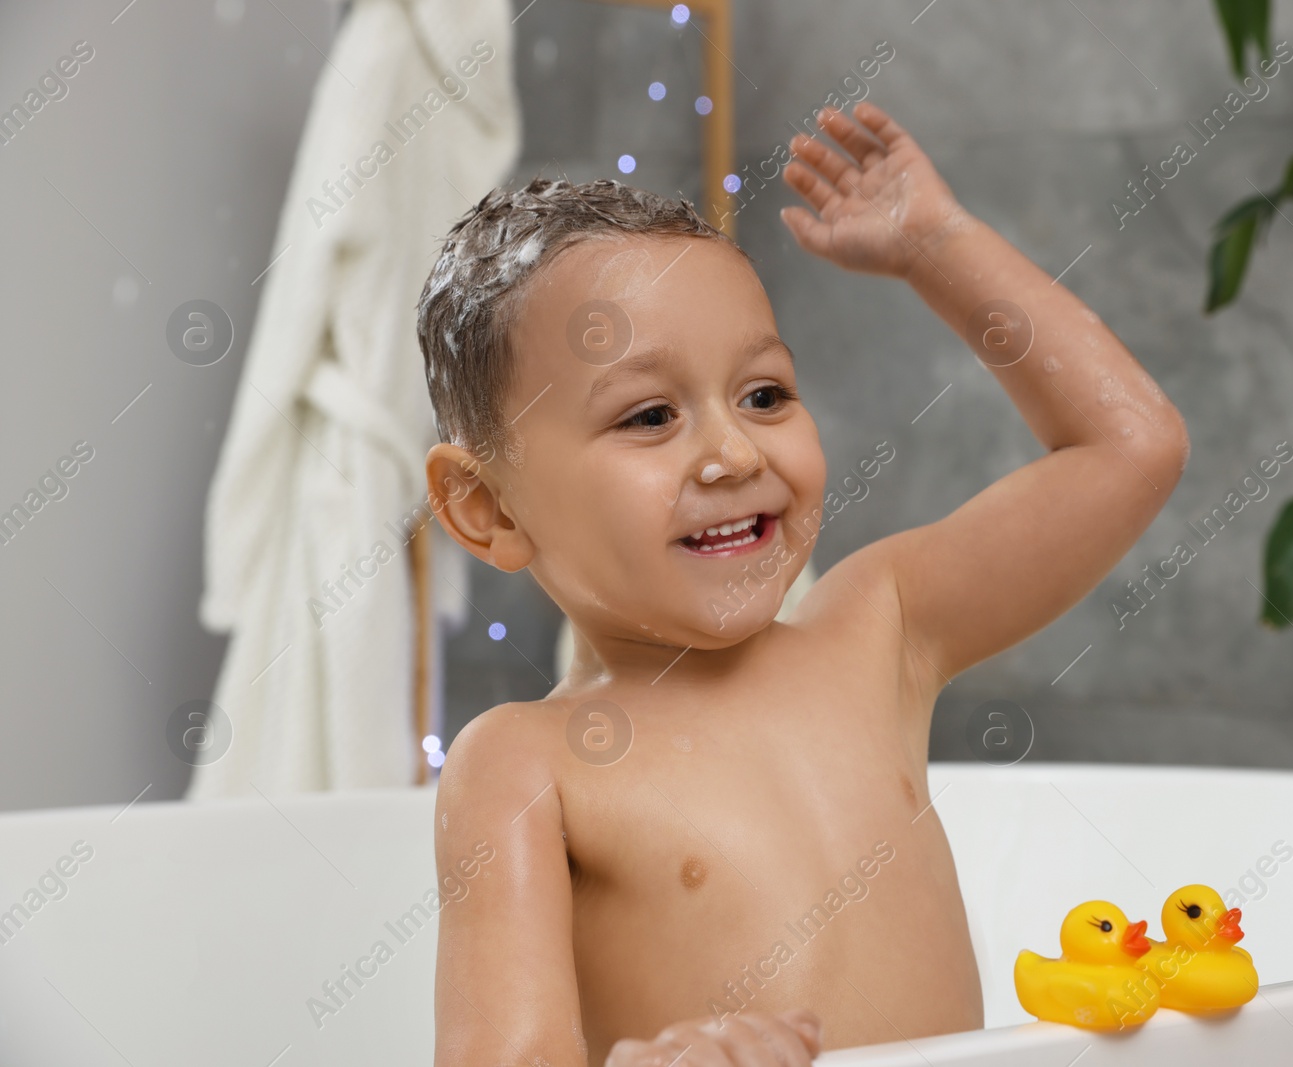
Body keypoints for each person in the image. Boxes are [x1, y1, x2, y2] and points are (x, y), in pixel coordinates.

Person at [418, 100, 1188, 1066]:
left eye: (765, 394)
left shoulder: (879, 629)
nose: (733, 452)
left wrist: (940, 246)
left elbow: (1131, 446)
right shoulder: (525, 765)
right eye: (650, 415)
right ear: (487, 507)